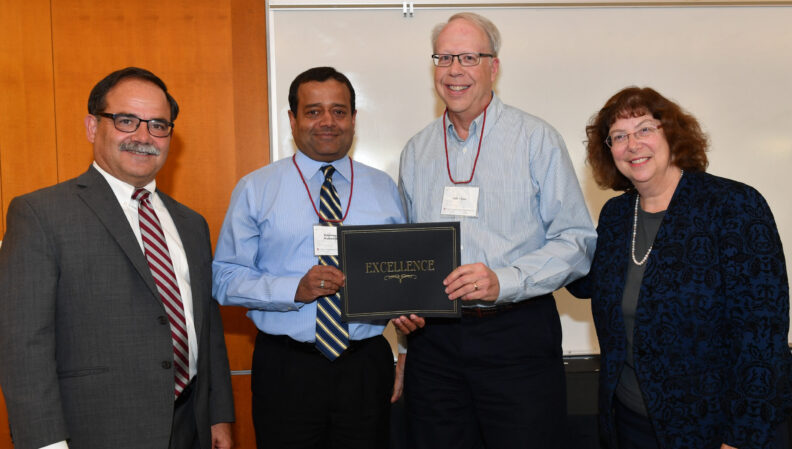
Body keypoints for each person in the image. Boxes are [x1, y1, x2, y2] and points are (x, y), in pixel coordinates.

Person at [0, 67, 235, 449]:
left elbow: (208, 329)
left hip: (189, 427)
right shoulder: (40, 214)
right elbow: (23, 345)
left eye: (159, 125)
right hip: (96, 431)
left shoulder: (192, 224)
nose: (144, 137)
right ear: (93, 127)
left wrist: (219, 415)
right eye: (127, 121)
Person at [394, 12, 597, 449]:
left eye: (469, 57)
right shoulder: (416, 151)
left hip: (516, 336)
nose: (454, 70)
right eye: (444, 57)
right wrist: (405, 324)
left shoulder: (536, 139)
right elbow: (408, 250)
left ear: (494, 67)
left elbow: (577, 242)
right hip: (435, 344)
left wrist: (503, 280)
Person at [567, 86, 792, 449]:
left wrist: (742, 436)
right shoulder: (617, 216)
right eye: (619, 136)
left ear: (671, 132)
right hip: (629, 420)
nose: (633, 144)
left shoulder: (733, 206)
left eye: (644, 129)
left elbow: (761, 335)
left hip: (713, 427)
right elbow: (587, 281)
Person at [212, 66, 405, 449]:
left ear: (353, 118)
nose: (328, 122)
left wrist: (405, 352)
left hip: (365, 365)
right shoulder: (256, 188)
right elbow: (224, 279)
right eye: (314, 111)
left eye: (339, 111)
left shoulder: (384, 188)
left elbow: (404, 277)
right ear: (293, 119)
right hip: (287, 367)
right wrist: (293, 290)